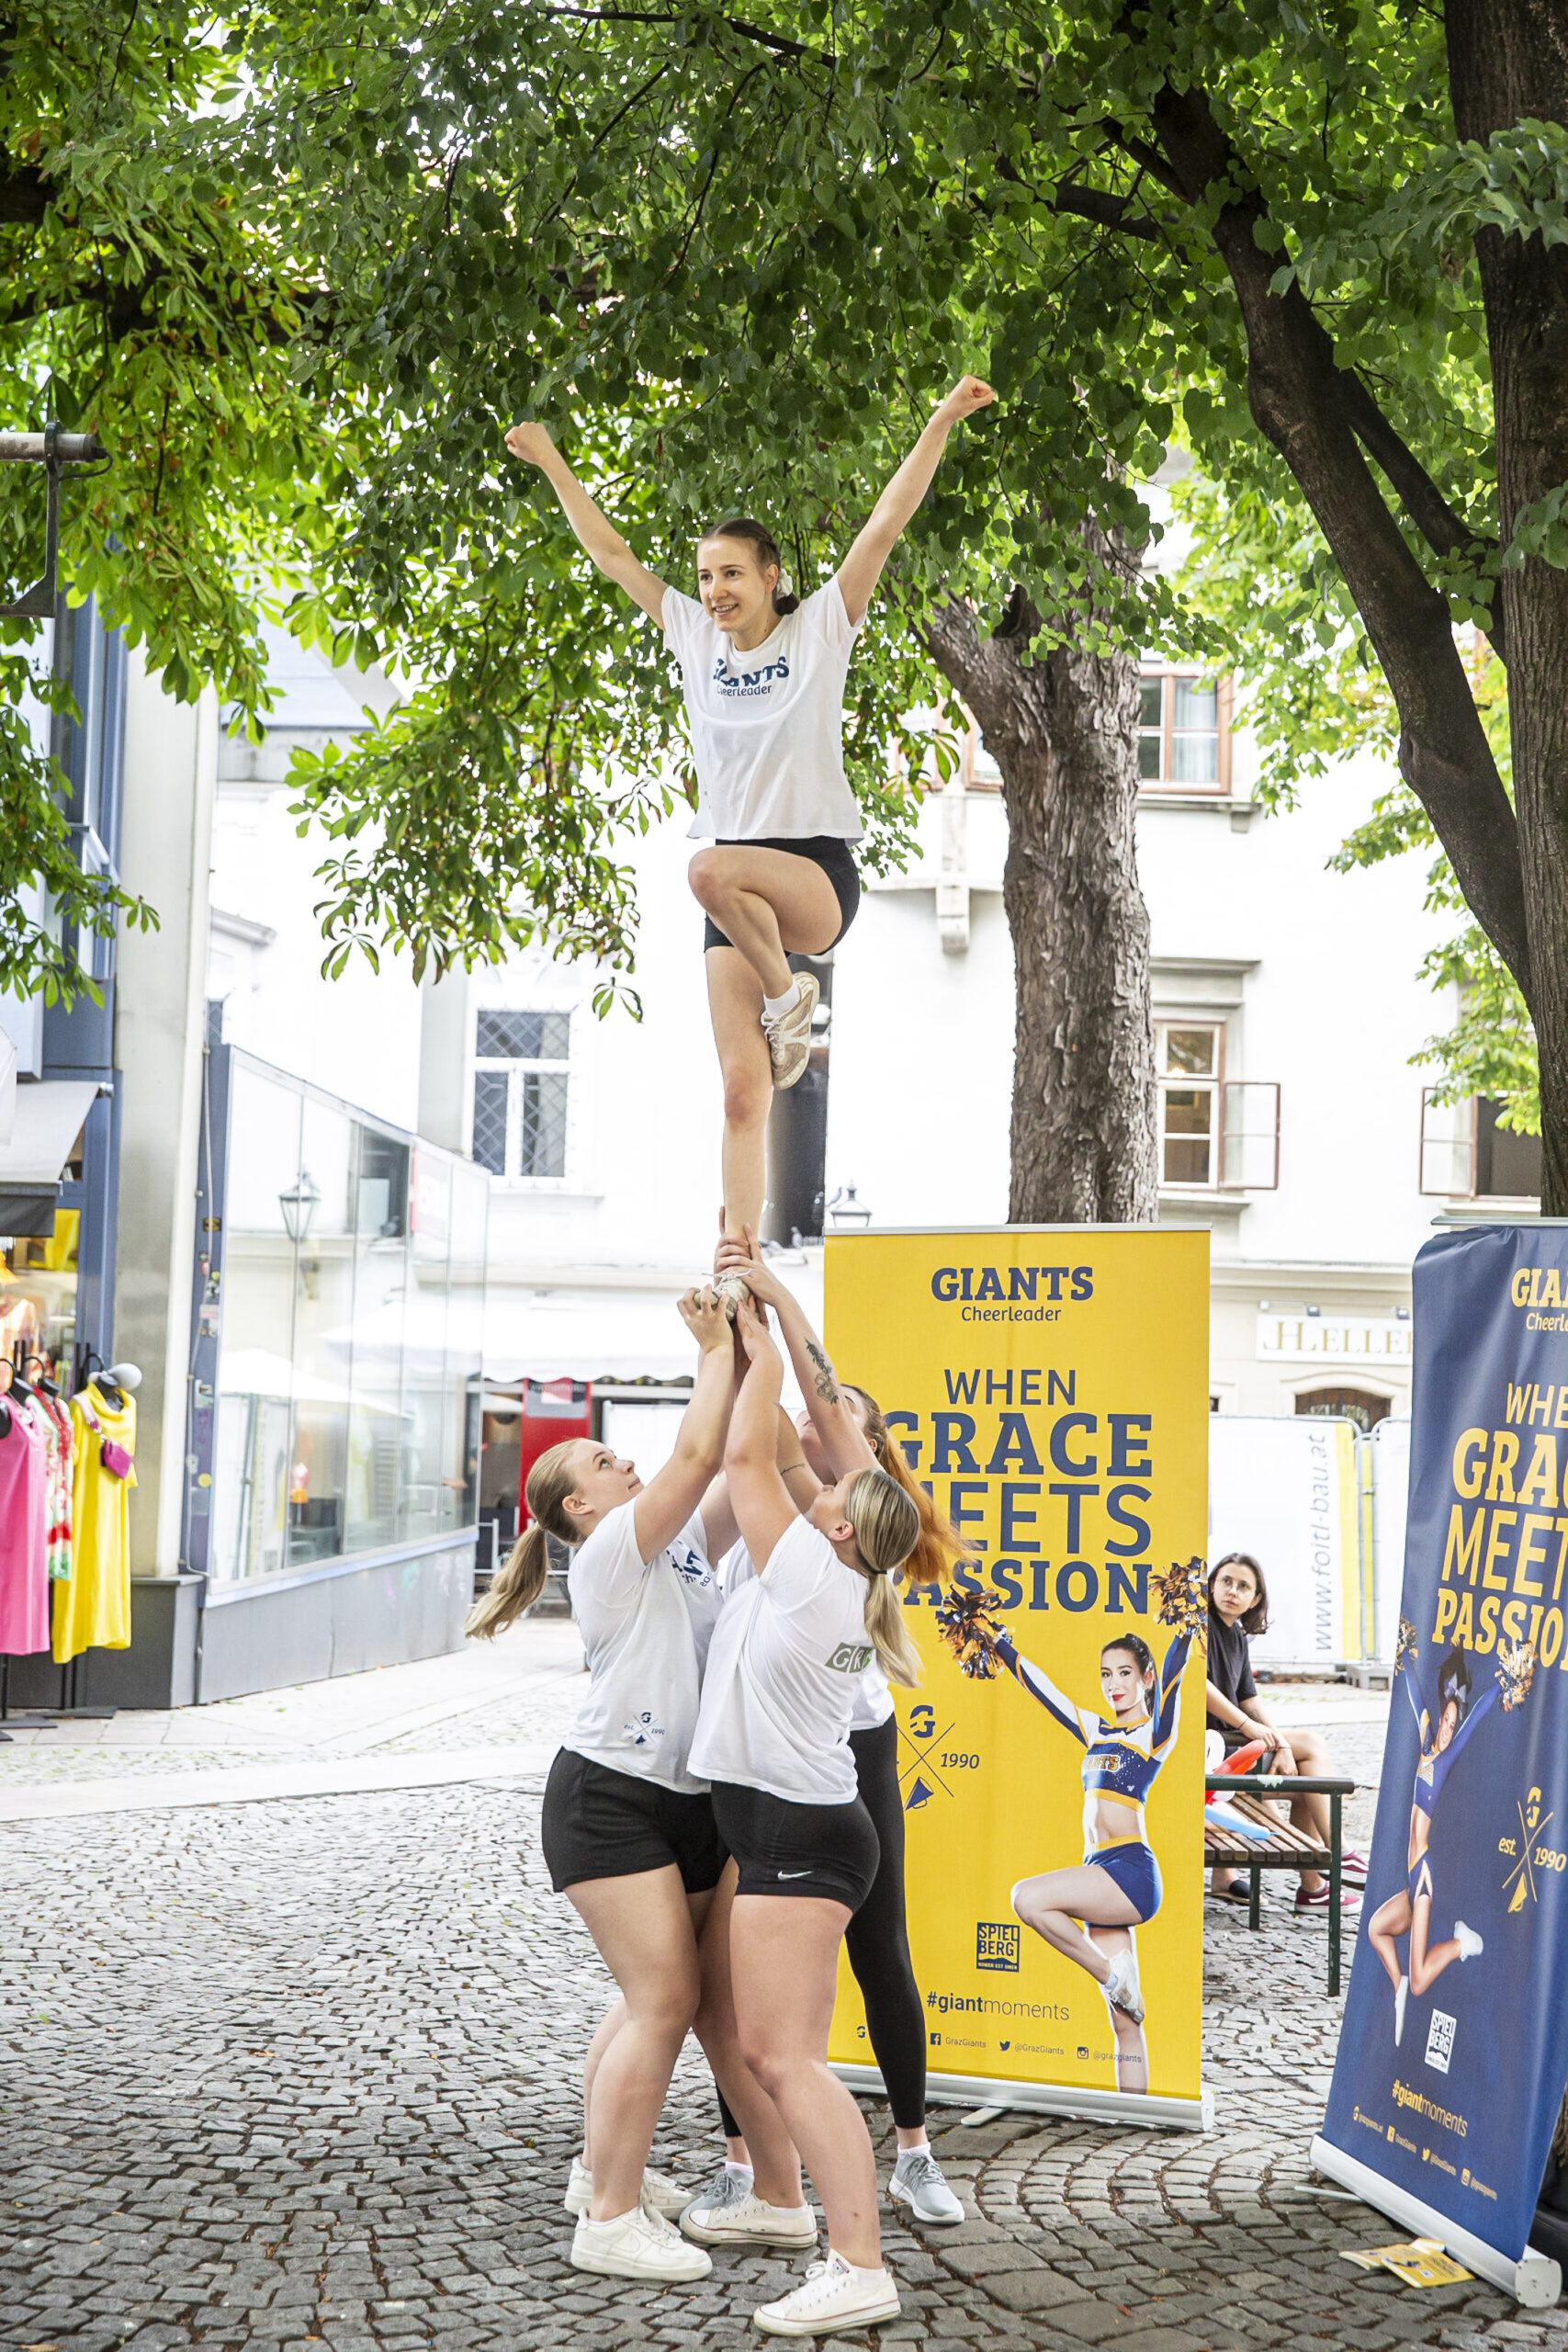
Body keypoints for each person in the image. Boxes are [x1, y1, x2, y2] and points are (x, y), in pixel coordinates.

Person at [503, 378, 997, 1270]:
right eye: (704, 577)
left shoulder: (819, 632)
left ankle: (789, 999)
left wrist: (939, 421)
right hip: (736, 905)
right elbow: (612, 554)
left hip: (807, 876)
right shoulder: (694, 638)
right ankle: (738, 1258)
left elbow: (884, 523)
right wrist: (550, 460)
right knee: (741, 1089)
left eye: (730, 573)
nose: (714, 590)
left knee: (706, 868)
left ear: (771, 576)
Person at [681, 1235, 965, 2232]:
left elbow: (797, 1416)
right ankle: (754, 2165)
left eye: (841, 1432)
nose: (822, 1425)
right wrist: (744, 1325)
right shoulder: (817, 1522)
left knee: (870, 1950)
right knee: (742, 1974)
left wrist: (771, 1311)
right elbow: (755, 1449)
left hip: (837, 1762)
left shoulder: (853, 1524)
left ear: (868, 1461)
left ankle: (908, 2154)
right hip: (772, 1768)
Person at [466, 1286, 749, 2284]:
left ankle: (598, 2172)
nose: (619, 1457)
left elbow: (737, 1459)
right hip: (610, 1797)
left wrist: (747, 1336)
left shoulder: (668, 1538)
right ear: (578, 1506)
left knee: (647, 1999)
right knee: (666, 1998)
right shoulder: (609, 1553)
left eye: (615, 1451)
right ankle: (612, 2219)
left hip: (686, 1798)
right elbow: (699, 1455)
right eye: (601, 1460)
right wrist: (709, 1346)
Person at [990, 1623, 1193, 2098]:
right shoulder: (1096, 1729)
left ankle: (1109, 1974)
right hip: (1100, 1873)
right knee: (1124, 2020)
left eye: (1125, 1673)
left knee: (1027, 1898)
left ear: (1146, 1678)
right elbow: (1044, 1692)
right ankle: (1134, 2112)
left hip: (1130, 1873)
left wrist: (1187, 1622)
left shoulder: (1153, 1733)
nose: (1113, 1684)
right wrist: (999, 1644)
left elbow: (1177, 1673)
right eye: (1106, 1674)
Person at [1203, 1553, 1366, 1911]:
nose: (1232, 1591)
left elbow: (1250, 1697)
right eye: (1226, 1581)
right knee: (1312, 1745)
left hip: (1234, 1748)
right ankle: (1336, 1853)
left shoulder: (1237, 1636)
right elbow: (1198, 1685)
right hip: (1212, 1751)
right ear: (1212, 1584)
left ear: (1256, 1598)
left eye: (1243, 1586)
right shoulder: (1202, 1626)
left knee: (1307, 1771)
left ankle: (1313, 1889)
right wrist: (1255, 1730)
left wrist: (1279, 1743)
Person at [1367, 1643, 1499, 2049]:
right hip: (1411, 1877)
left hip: (1421, 1876)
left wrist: (1500, 1686)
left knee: (1422, 1979)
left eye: (1451, 1723)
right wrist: (1404, 1657)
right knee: (1376, 1929)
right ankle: (1398, 1986)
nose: (1446, 1726)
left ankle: (1463, 1943)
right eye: (1445, 1718)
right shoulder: (1427, 1745)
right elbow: (1412, 1694)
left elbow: (1476, 1716)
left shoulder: (1446, 1756)